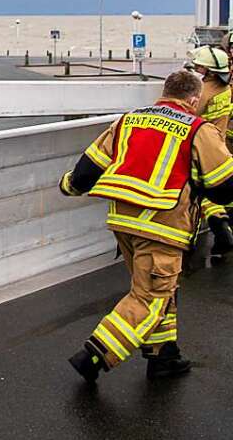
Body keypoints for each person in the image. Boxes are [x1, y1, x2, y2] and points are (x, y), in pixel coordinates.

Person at [60, 70, 233, 383]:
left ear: (164, 92)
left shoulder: (129, 120)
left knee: (157, 289)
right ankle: (95, 355)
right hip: (162, 226)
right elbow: (224, 186)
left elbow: (88, 169)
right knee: (149, 297)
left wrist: (69, 186)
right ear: (194, 99)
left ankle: (163, 355)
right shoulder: (198, 129)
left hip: (122, 222)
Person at [185, 46, 233, 257]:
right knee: (212, 188)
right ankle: (221, 220)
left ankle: (201, 233)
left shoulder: (204, 92)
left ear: (209, 71)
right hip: (219, 145)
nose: (197, 68)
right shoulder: (225, 89)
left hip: (199, 146)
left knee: (195, 191)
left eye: (199, 66)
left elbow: (186, 113)